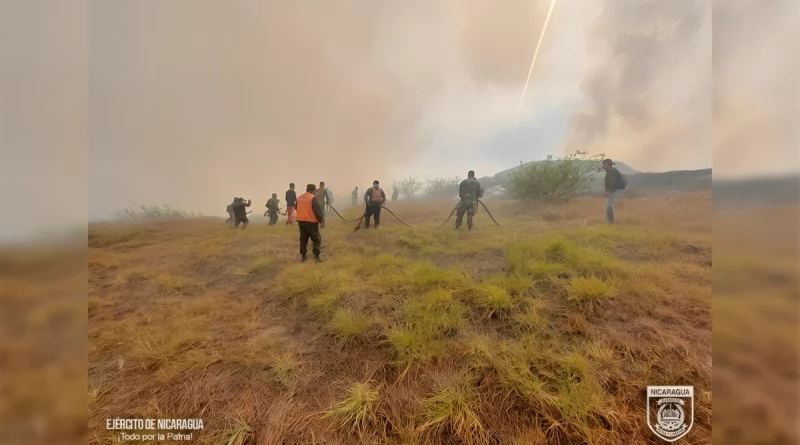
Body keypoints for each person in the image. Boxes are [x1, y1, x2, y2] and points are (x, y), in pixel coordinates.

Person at [296, 184, 325, 262]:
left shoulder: (300, 197)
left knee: (303, 239)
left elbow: (296, 208)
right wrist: (321, 221)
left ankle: (303, 256)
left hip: (301, 222)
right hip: (311, 222)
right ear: (313, 190)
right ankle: (316, 256)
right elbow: (317, 211)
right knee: (316, 239)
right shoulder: (312, 198)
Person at [603, 158, 623, 224]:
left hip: (614, 191)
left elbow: (611, 182)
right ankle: (611, 222)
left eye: (604, 164)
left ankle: (611, 222)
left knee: (609, 206)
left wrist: (608, 191)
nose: (603, 166)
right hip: (613, 191)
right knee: (609, 206)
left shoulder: (612, 171)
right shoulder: (610, 171)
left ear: (607, 164)